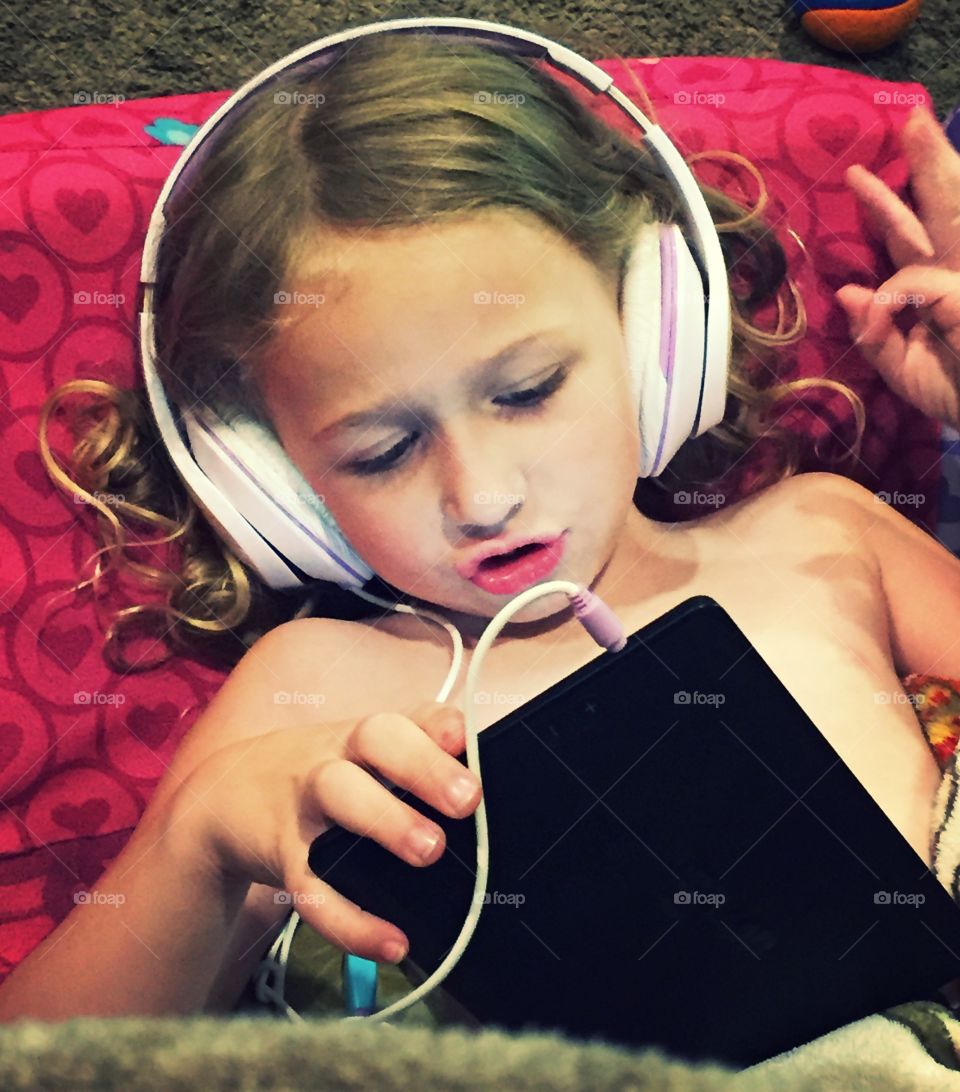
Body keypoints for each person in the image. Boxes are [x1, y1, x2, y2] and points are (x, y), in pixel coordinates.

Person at [1, 33, 959, 1022]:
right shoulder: (313, 687)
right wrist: (195, 849)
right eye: (381, 451)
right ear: (275, 485)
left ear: (655, 331)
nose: (482, 496)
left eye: (528, 390)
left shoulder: (825, 537)